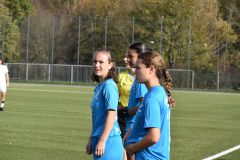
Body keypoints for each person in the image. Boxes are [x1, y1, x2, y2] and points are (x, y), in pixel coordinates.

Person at [124, 51, 176, 160]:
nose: (135, 72)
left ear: (151, 69)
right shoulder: (158, 92)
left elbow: (153, 137)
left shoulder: (152, 98)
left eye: (138, 68)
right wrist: (132, 131)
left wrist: (131, 148)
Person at [86, 48, 123, 160]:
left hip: (109, 141)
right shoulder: (99, 87)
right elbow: (98, 118)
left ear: (110, 64)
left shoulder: (109, 86)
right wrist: (91, 138)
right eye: (95, 61)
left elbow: (111, 115)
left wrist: (102, 141)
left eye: (101, 62)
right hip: (99, 138)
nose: (97, 65)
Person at [122, 42, 149, 133]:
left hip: (134, 128)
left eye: (131, 56)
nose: (127, 59)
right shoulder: (138, 78)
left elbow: (143, 106)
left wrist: (126, 112)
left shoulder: (140, 81)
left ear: (141, 57)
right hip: (131, 127)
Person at [117, 53, 135, 138]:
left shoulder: (144, 79)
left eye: (128, 57)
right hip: (123, 118)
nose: (124, 59)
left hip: (137, 118)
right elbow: (116, 95)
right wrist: (119, 105)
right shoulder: (121, 76)